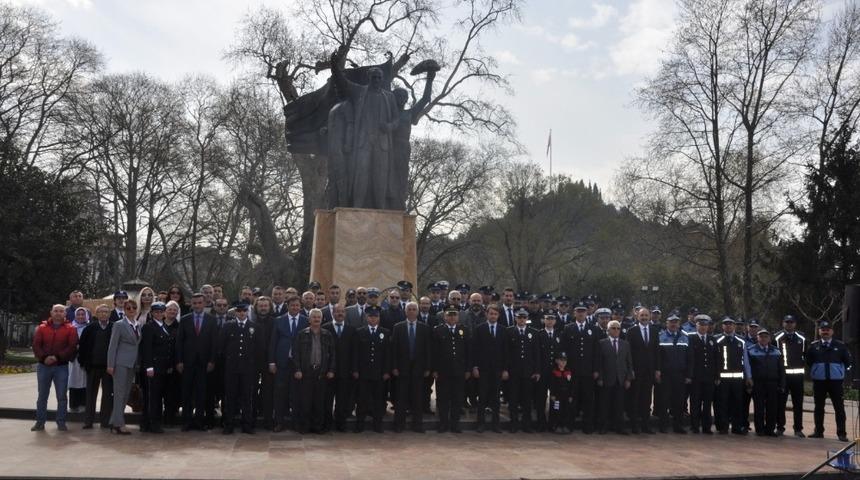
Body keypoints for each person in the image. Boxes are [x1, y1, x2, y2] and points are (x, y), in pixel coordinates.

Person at [31, 304, 79, 432]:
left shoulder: (71, 329)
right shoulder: (41, 328)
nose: (58, 313)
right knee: (42, 396)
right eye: (56, 311)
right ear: (51, 312)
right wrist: (44, 358)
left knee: (62, 396)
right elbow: (36, 345)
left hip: (61, 367)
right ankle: (40, 422)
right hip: (43, 366)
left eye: (61, 311)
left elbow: (72, 346)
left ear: (65, 314)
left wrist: (57, 357)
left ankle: (61, 422)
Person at [176, 293, 218, 431]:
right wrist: (179, 361)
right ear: (191, 304)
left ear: (204, 303)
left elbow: (214, 342)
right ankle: (186, 421)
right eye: (194, 303)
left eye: (200, 303)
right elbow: (179, 342)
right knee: (186, 392)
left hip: (204, 362)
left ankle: (200, 421)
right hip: (187, 362)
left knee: (201, 393)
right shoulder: (185, 319)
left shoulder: (211, 320)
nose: (197, 305)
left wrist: (212, 360)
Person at [806, 320, 853, 441]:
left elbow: (848, 363)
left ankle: (841, 433)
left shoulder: (840, 346)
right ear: (819, 331)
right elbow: (809, 362)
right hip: (819, 381)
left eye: (827, 330)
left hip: (835, 382)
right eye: (823, 329)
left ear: (832, 331)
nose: (825, 332)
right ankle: (818, 431)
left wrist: (841, 373)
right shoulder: (813, 346)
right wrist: (817, 371)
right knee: (818, 407)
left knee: (839, 408)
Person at [292, 308, 335, 434]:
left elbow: (332, 354)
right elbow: (296, 354)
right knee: (305, 402)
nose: (316, 319)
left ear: (321, 319)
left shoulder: (327, 334)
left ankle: (317, 427)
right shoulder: (302, 334)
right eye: (314, 317)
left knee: (319, 402)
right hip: (306, 373)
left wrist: (331, 369)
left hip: (321, 373)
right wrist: (298, 369)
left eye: (318, 317)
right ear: (309, 319)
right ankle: (305, 426)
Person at [391, 301, 432, 433]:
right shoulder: (398, 327)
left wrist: (427, 368)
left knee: (417, 398)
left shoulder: (424, 328)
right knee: (401, 398)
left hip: (418, 369)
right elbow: (394, 349)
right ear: (405, 311)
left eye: (414, 309)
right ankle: (399, 425)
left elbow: (428, 350)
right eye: (410, 309)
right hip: (402, 368)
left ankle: (417, 425)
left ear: (418, 311)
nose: (412, 311)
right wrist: (394, 367)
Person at [219, 303, 258, 435]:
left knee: (247, 398)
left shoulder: (254, 327)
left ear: (247, 312)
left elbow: (259, 349)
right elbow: (222, 346)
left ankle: (247, 425)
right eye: (239, 311)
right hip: (232, 368)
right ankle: (228, 424)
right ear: (235, 312)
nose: (242, 313)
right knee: (230, 397)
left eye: (244, 311)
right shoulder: (228, 326)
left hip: (247, 369)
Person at [432, 304, 471, 433]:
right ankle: (443, 423)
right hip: (443, 372)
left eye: (454, 314)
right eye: (449, 314)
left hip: (459, 371)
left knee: (457, 398)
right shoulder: (438, 330)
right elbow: (434, 352)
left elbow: (468, 352)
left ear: (458, 316)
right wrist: (435, 370)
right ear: (444, 316)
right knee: (443, 399)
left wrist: (467, 370)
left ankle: (455, 424)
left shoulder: (464, 330)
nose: (452, 317)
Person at [139, 302, 176, 434]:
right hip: (153, 368)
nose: (159, 314)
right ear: (152, 313)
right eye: (156, 312)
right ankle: (150, 423)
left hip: (163, 368)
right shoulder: (149, 327)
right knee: (152, 397)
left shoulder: (164, 326)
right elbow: (146, 348)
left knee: (158, 396)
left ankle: (153, 422)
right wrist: (149, 366)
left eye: (161, 312)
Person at [563, 301, 599, 433]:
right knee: (572, 398)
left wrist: (596, 369)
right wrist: (565, 368)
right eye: (578, 311)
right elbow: (564, 350)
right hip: (573, 370)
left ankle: (587, 425)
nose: (581, 313)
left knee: (588, 399)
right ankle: (569, 424)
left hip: (588, 371)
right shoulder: (568, 328)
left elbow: (596, 352)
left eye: (583, 311)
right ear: (574, 313)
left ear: (587, 312)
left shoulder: (593, 329)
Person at [353, 306, 391, 433]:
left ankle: (377, 425)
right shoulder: (359, 332)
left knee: (378, 400)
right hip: (363, 373)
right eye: (371, 316)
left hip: (379, 373)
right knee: (362, 399)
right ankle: (360, 424)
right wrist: (355, 370)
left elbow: (387, 354)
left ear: (379, 318)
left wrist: (386, 371)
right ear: (366, 317)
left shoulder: (385, 332)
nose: (373, 318)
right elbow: (356, 353)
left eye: (376, 316)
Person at [106, 299, 141, 435]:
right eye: (128, 308)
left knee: (125, 394)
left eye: (133, 307)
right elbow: (112, 345)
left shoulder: (137, 325)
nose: (131, 310)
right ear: (124, 310)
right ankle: (119, 424)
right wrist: (110, 364)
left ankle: (114, 422)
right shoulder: (119, 325)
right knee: (119, 394)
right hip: (120, 363)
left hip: (132, 364)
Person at [472, 304, 508, 433]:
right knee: (482, 397)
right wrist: (475, 367)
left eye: (495, 314)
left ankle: (495, 424)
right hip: (483, 369)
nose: (493, 316)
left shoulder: (504, 330)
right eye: (491, 313)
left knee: (495, 398)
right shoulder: (479, 329)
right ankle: (480, 423)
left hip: (497, 369)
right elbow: (475, 350)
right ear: (486, 314)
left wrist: (505, 369)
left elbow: (506, 351)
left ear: (498, 316)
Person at [78, 304, 114, 429]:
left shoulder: (114, 327)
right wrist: (83, 362)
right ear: (96, 314)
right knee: (90, 395)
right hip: (92, 366)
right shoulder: (90, 328)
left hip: (108, 368)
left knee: (107, 395)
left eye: (106, 312)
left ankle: (105, 421)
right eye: (101, 312)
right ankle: (88, 421)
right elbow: (82, 346)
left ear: (109, 314)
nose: (104, 314)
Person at [505, 307, 540, 433]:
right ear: (515, 318)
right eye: (519, 317)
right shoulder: (509, 331)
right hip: (514, 371)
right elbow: (506, 353)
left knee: (527, 399)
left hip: (528, 371)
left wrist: (537, 370)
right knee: (513, 398)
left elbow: (536, 353)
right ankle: (513, 423)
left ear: (527, 319)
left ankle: (527, 424)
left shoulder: (534, 332)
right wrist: (506, 369)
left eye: (524, 317)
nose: (521, 320)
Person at [595, 320, 633, 435]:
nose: (616, 330)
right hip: (606, 378)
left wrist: (628, 378)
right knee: (604, 405)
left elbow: (629, 362)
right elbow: (599, 362)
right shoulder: (602, 343)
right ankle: (603, 426)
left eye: (618, 328)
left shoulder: (625, 344)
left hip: (621, 379)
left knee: (619, 405)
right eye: (613, 328)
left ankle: (619, 427)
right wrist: (600, 378)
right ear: (608, 330)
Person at [626, 307, 660, 434]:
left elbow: (656, 351)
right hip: (636, 371)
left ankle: (646, 425)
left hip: (649, 371)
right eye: (642, 315)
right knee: (635, 398)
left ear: (650, 316)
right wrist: (630, 370)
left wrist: (657, 369)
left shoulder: (654, 330)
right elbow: (628, 353)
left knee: (646, 399)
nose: (644, 317)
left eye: (646, 315)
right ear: (637, 317)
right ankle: (634, 425)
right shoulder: (632, 331)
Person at [744, 329, 785, 437]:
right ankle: (760, 429)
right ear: (757, 338)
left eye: (766, 337)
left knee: (772, 408)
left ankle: (770, 429)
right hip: (758, 383)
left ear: (769, 338)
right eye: (761, 336)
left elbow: (781, 369)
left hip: (772, 383)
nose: (763, 339)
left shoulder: (776, 351)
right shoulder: (751, 350)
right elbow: (748, 368)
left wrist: (782, 384)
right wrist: (749, 383)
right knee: (759, 407)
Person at [322, 303, 356, 432]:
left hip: (345, 371)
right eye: (337, 312)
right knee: (328, 399)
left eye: (342, 312)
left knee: (342, 399)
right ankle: (327, 423)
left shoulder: (351, 330)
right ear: (333, 313)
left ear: (345, 314)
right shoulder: (325, 328)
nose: (340, 314)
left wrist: (353, 369)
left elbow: (354, 352)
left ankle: (340, 423)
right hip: (329, 371)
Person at [773, 314, 807, 437]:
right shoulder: (776, 337)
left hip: (797, 377)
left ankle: (798, 429)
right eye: (787, 322)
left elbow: (805, 354)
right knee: (780, 403)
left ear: (795, 324)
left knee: (798, 404)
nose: (789, 324)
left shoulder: (802, 338)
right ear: (783, 323)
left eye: (791, 322)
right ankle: (780, 427)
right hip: (783, 377)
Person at [656, 314, 690, 433]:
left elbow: (689, 358)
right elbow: (658, 357)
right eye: (671, 322)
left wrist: (688, 375)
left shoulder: (685, 337)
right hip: (666, 374)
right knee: (664, 400)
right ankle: (663, 425)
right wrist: (658, 371)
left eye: (676, 322)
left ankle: (678, 425)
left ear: (679, 324)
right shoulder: (660, 337)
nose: (673, 324)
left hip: (680, 374)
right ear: (666, 323)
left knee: (679, 401)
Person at [715, 317, 747, 435]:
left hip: (737, 378)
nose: (728, 326)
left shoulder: (742, 341)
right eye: (726, 324)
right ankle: (723, 426)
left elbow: (746, 360)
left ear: (734, 326)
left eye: (730, 324)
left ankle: (736, 427)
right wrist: (716, 376)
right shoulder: (717, 339)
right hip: (723, 378)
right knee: (722, 403)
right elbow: (715, 360)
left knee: (737, 403)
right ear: (722, 326)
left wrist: (748, 376)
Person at [688, 315, 718, 434]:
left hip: (709, 377)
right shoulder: (691, 338)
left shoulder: (712, 339)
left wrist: (716, 375)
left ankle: (706, 426)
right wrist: (689, 375)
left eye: (706, 325)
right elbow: (690, 358)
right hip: (696, 376)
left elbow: (716, 359)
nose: (704, 327)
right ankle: (694, 426)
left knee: (707, 403)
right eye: (701, 325)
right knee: (695, 402)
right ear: (697, 325)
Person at [535, 310, 562, 432]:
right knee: (540, 398)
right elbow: (537, 355)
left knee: (555, 398)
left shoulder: (559, 335)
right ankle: (541, 422)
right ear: (543, 320)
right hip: (543, 371)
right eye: (548, 318)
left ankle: (553, 422)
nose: (550, 321)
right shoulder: (539, 335)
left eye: (552, 319)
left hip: (555, 372)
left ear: (555, 321)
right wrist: (538, 371)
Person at [251, 296, 276, 430]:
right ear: (256, 307)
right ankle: (252, 419)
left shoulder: (274, 321)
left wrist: (272, 361)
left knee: (268, 391)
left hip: (269, 361)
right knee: (252, 390)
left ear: (269, 307)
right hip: (253, 362)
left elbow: (274, 343)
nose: (263, 308)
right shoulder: (251, 321)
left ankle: (267, 420)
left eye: (265, 306)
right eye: (261, 306)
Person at [162, 300, 182, 425]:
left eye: (175, 310)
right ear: (165, 311)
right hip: (159, 364)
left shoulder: (180, 326)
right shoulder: (158, 325)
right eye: (170, 309)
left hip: (174, 365)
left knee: (172, 393)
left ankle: (170, 417)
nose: (172, 312)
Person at [67, 307, 90, 413]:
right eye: (78, 314)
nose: (81, 316)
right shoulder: (70, 328)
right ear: (75, 316)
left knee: (84, 381)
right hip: (73, 359)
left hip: (85, 359)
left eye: (82, 314)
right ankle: (73, 404)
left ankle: (83, 404)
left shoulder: (89, 327)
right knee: (74, 380)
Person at [548, 352, 574, 433]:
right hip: (557, 396)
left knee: (565, 410)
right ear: (557, 361)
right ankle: (555, 426)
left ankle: (565, 425)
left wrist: (571, 395)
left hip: (566, 395)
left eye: (565, 360)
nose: (563, 362)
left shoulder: (569, 372)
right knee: (556, 410)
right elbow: (552, 384)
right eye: (561, 360)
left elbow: (572, 385)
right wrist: (552, 394)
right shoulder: (554, 372)